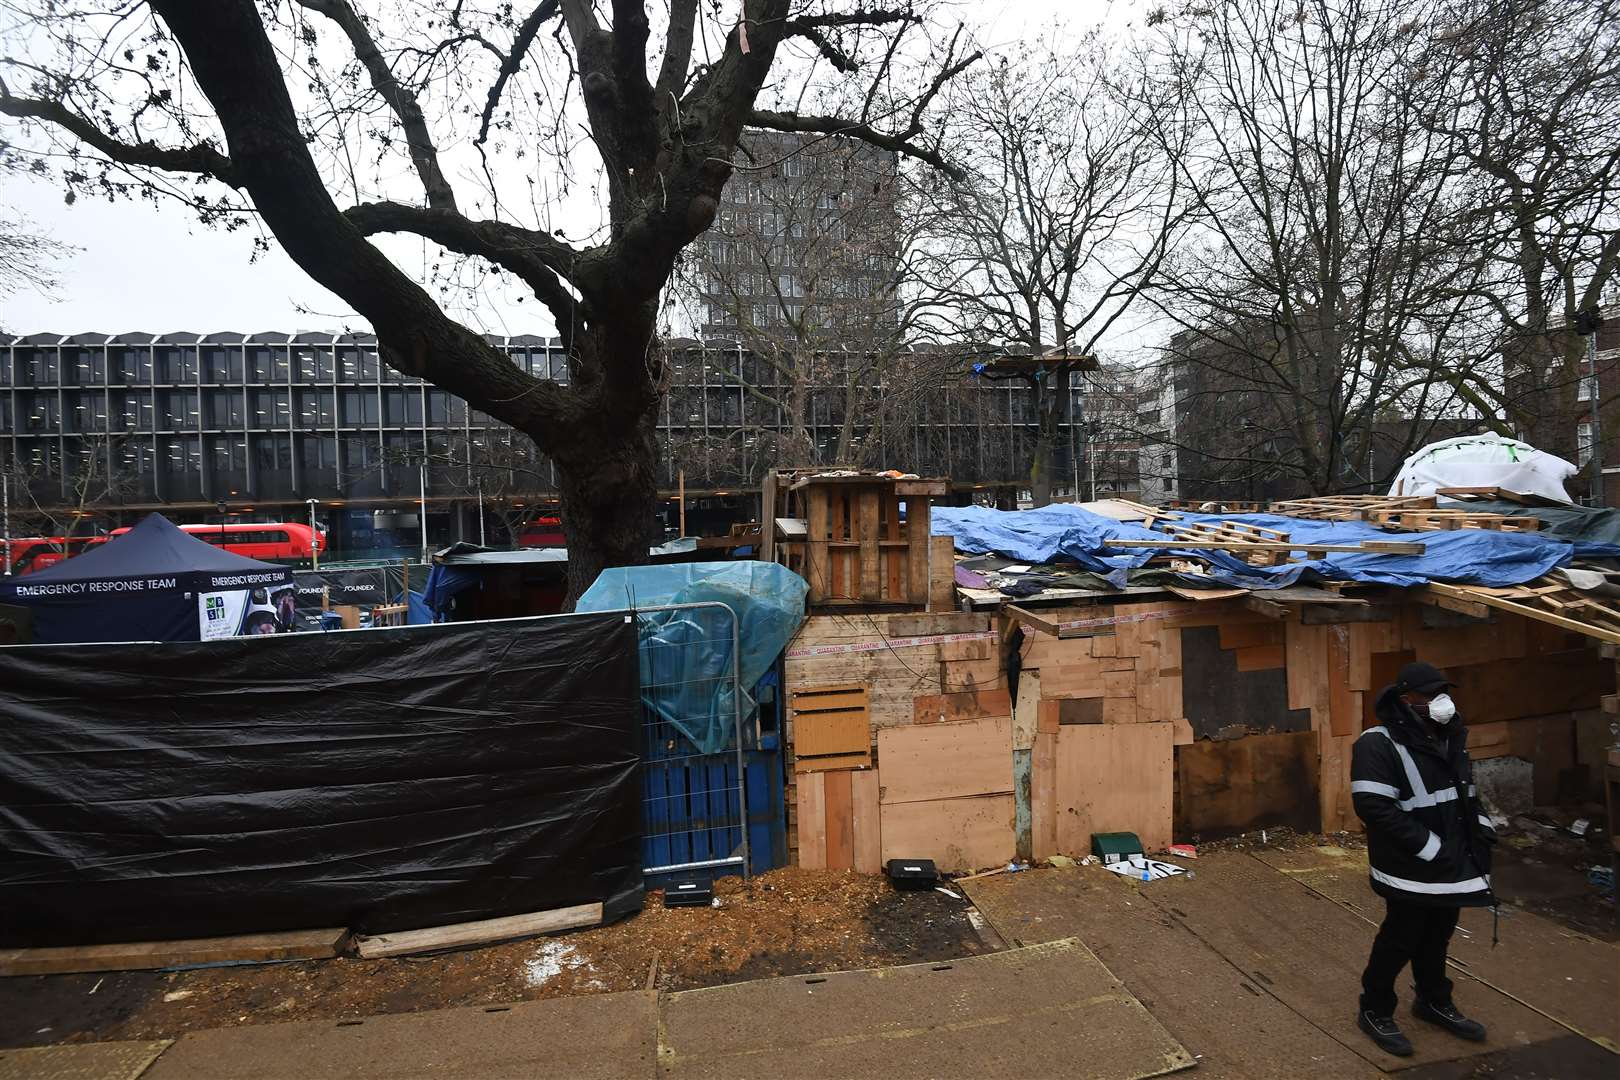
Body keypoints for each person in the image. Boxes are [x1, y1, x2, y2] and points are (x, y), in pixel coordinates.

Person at [1352, 660, 1496, 1057]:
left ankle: (1433, 1000)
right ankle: (1374, 1009)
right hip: (1410, 865)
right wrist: (1430, 847)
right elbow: (1373, 806)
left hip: (1452, 863)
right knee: (1400, 939)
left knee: (1438, 935)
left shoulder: (1448, 735)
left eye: (1443, 693)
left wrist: (1482, 831)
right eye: (1430, 695)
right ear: (1405, 699)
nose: (1440, 701)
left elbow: (1465, 792)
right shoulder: (1376, 744)